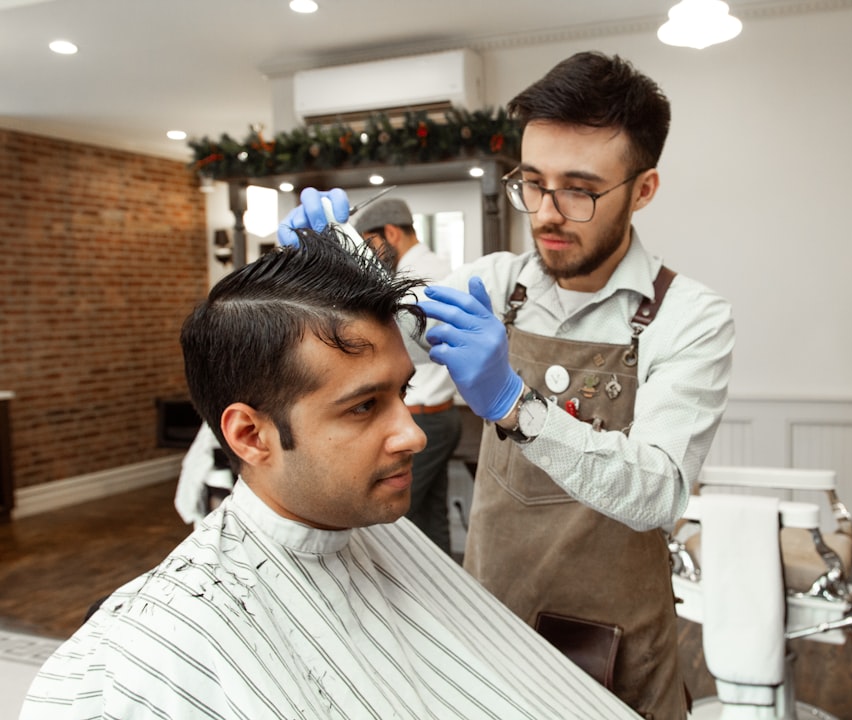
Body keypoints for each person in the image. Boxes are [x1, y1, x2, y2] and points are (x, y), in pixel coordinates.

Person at [20, 225, 642, 720]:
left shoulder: (375, 529)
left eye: (402, 393)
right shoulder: (143, 654)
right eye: (364, 406)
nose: (413, 433)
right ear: (249, 434)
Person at [280, 51, 735, 720]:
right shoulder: (495, 284)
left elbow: (660, 491)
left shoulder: (689, 317)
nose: (546, 213)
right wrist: (332, 259)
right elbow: (386, 327)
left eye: (579, 189)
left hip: (613, 642)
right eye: (533, 182)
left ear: (642, 190)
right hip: (490, 619)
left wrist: (517, 408)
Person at [353, 198, 461, 555]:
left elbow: (390, 348)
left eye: (370, 244)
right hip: (438, 415)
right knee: (432, 520)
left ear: (392, 233)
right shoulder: (434, 266)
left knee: (394, 528)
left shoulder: (420, 279)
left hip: (424, 417)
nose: (369, 255)